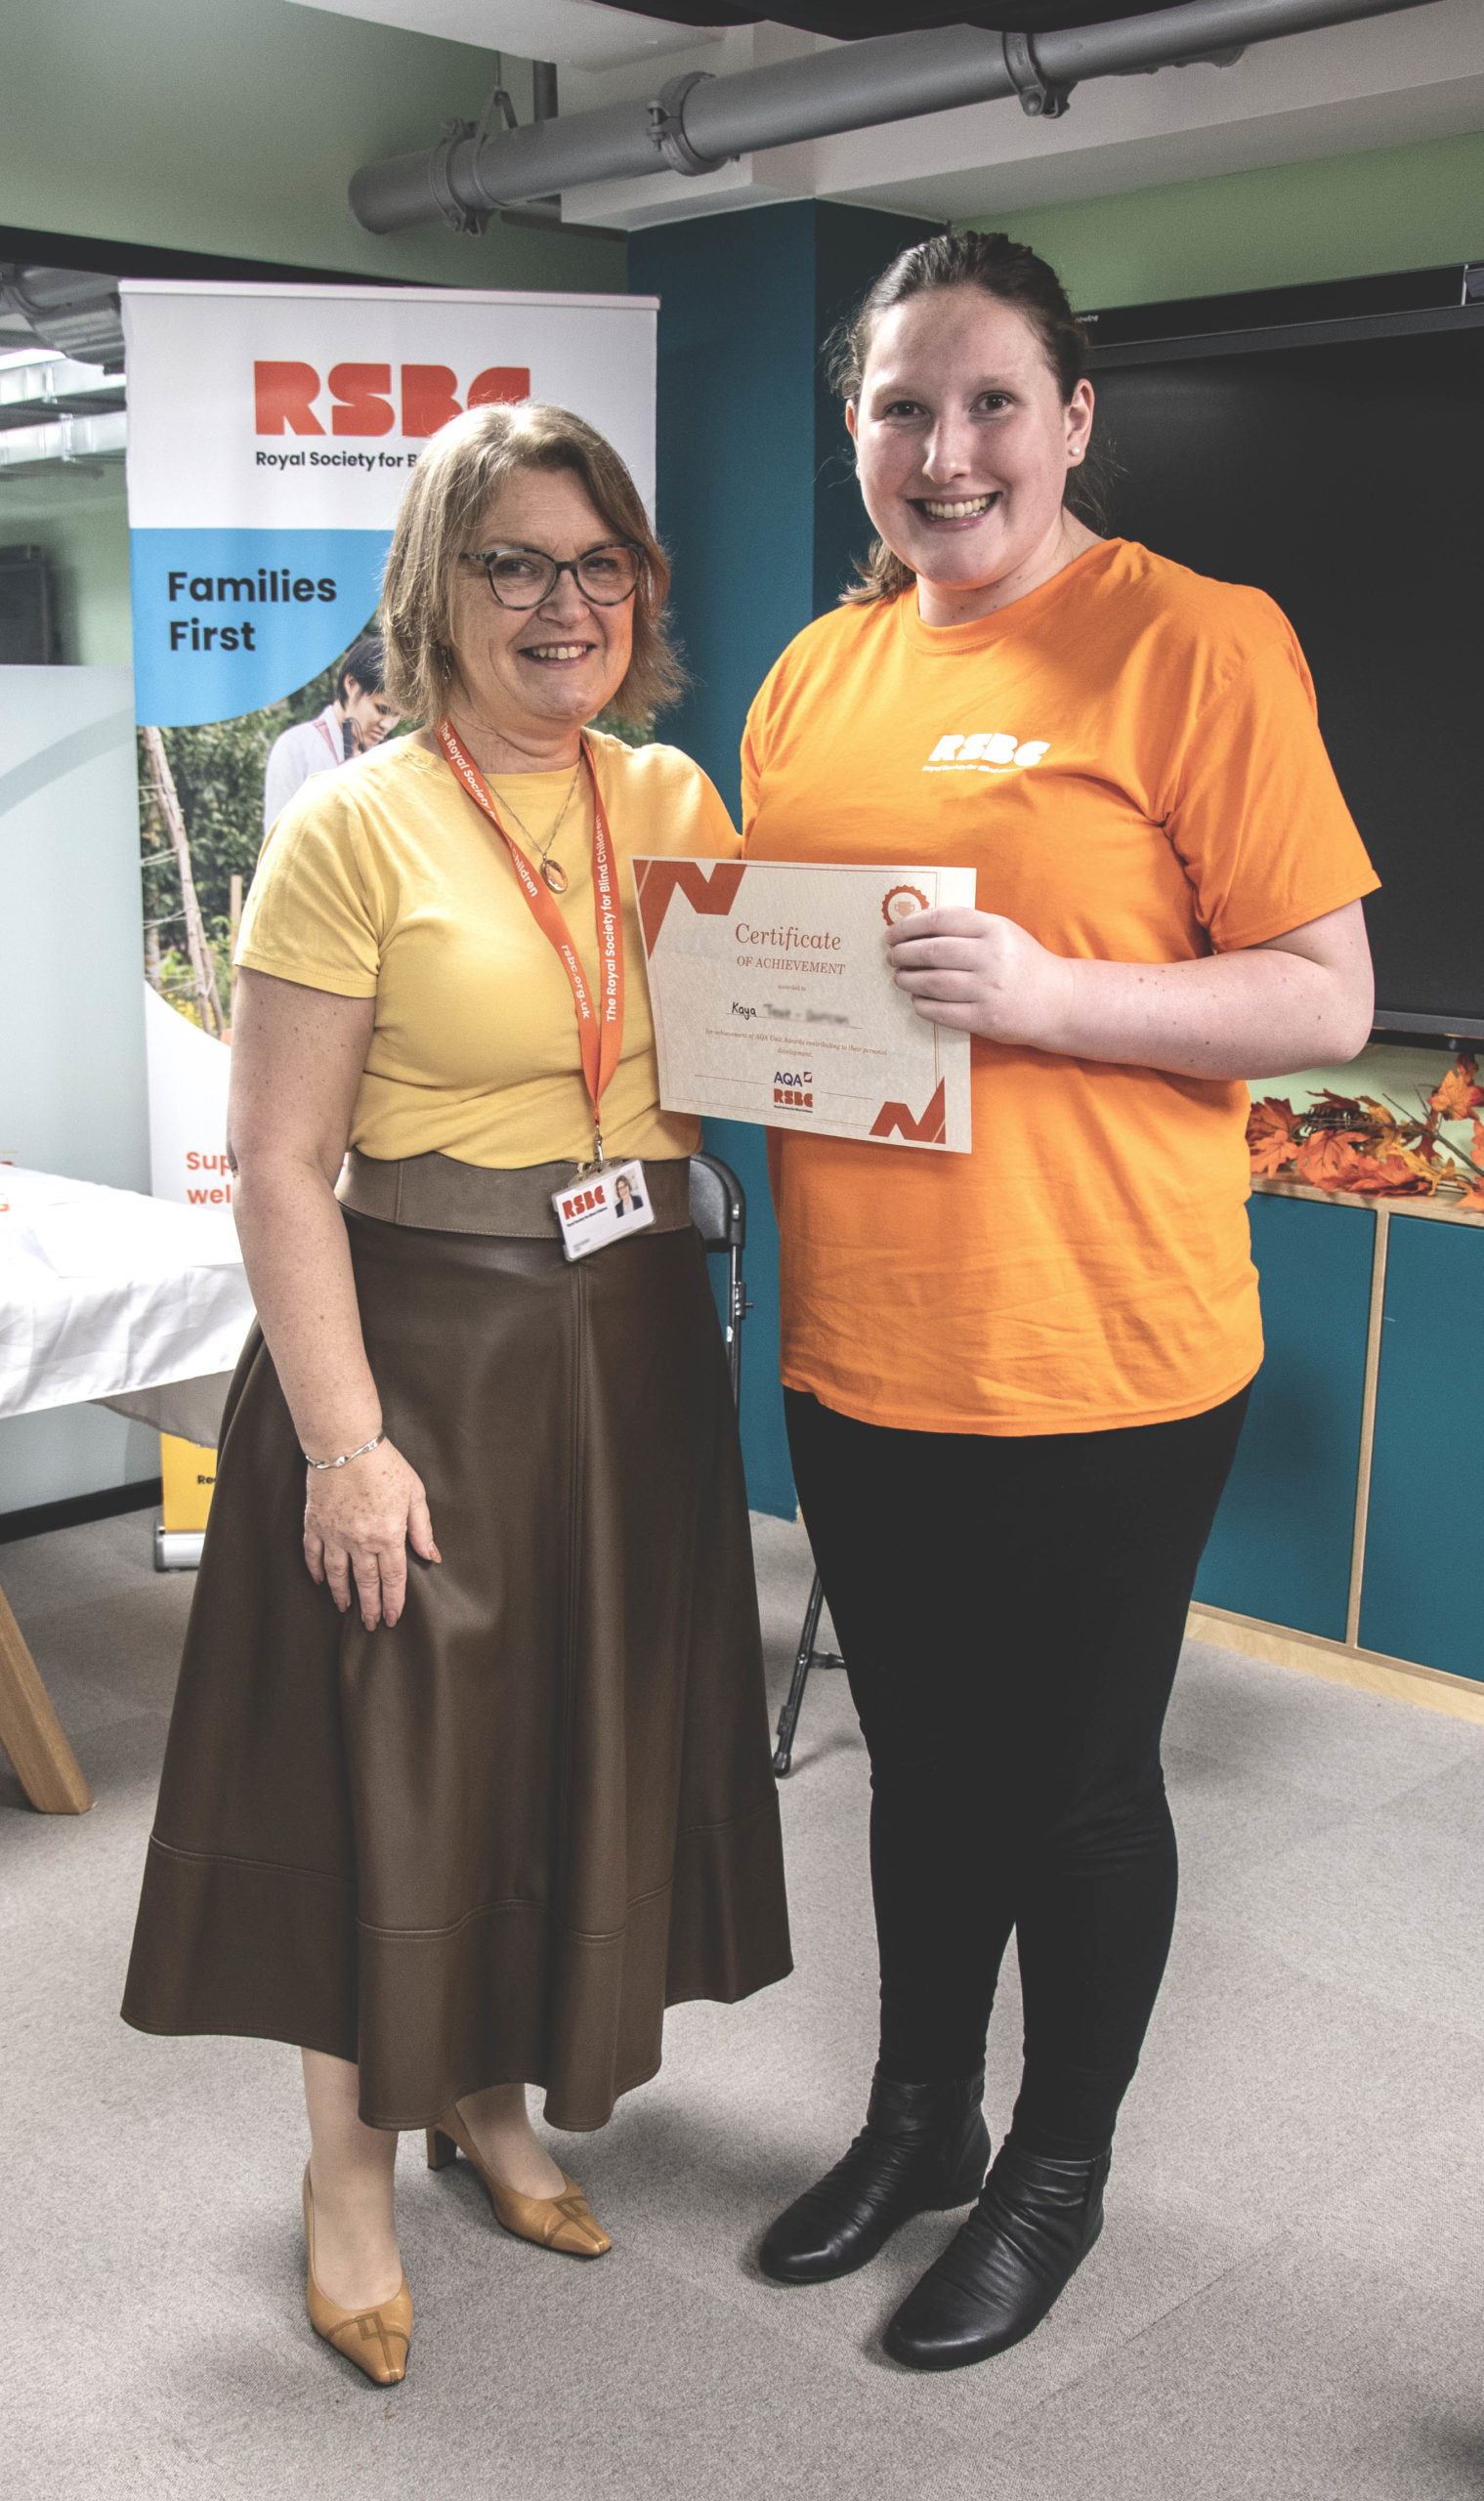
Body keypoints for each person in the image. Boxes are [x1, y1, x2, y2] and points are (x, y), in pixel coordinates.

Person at [745, 232, 1376, 2371]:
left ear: (1073, 417)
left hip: (1102, 1341)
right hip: (862, 1336)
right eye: (899, 407)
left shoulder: (1189, 641)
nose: (945, 449)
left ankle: (1052, 2165)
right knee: (918, 1766)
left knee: (1075, 1782)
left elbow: (1319, 992)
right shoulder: (811, 675)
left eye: (988, 399)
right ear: (854, 438)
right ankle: (915, 2113)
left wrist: (1049, 993)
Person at [123, 402, 791, 2385]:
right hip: (417, 1347)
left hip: (629, 1340)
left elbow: (763, 1031)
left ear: (641, 589)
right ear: (438, 587)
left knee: (551, 1754)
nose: (560, 602)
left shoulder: (670, 799)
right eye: (512, 561)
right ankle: (348, 2167)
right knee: (395, 1769)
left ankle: (489, 2103)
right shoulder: (350, 826)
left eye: (598, 562)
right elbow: (272, 1166)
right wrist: (342, 1443)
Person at [262, 634, 400, 831]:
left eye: (397, 716)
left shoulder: (383, 761)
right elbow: (277, 840)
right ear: (351, 684)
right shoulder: (296, 747)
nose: (387, 724)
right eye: (382, 709)